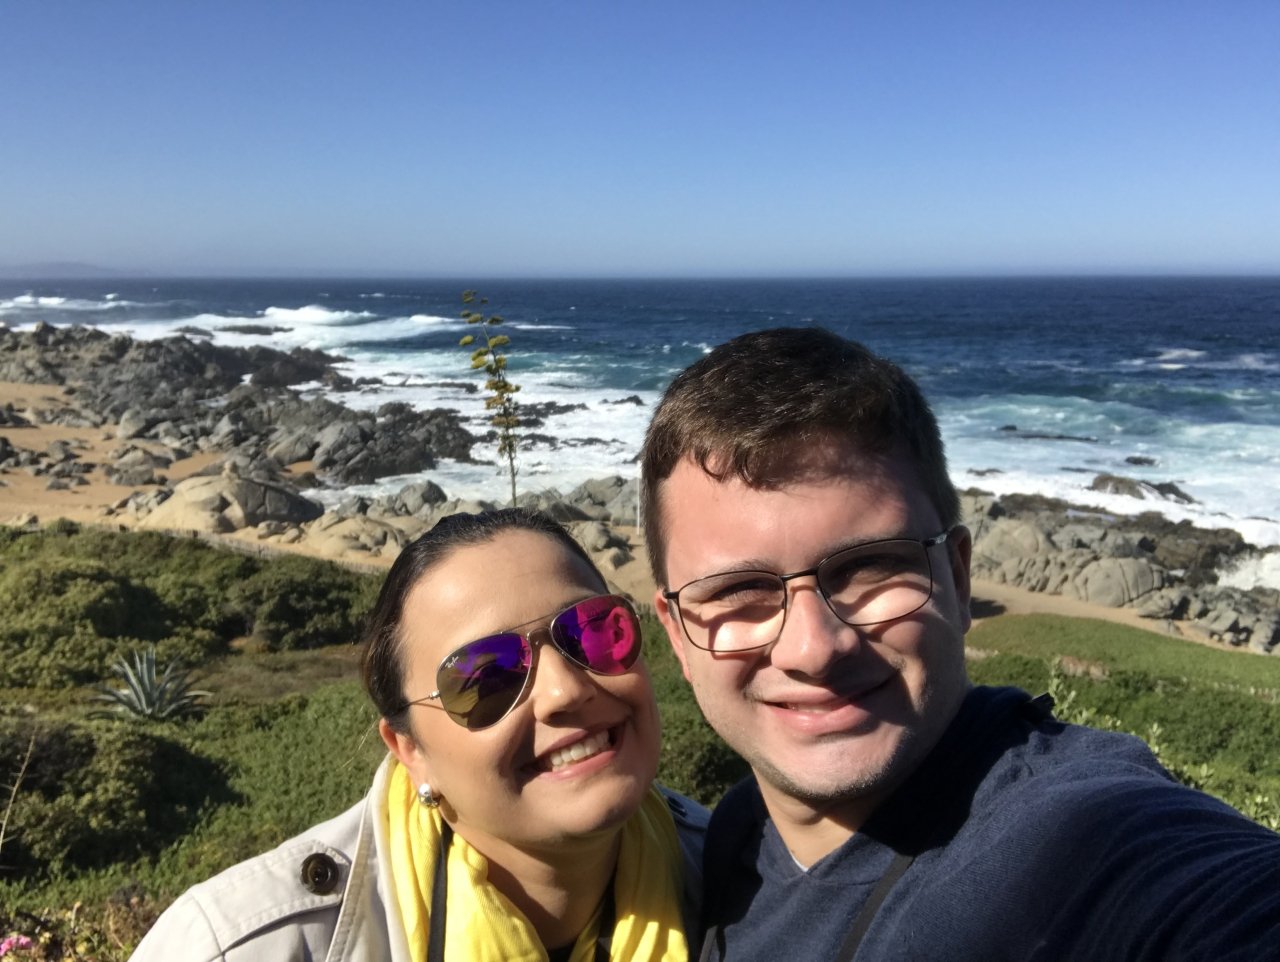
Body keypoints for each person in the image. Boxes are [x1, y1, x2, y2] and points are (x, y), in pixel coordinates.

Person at [640, 326, 1280, 961]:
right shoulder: (734, 838)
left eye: (869, 566)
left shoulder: (1080, 838)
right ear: (677, 633)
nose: (813, 648)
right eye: (739, 591)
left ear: (959, 576)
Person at [132, 508, 706, 962]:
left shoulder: (737, 875)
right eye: (486, 677)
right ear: (410, 752)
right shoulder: (235, 946)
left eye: (592, 631)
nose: (565, 690)